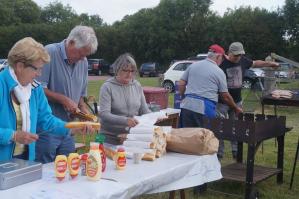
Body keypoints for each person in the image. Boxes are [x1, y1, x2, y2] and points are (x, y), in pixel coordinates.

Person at [0, 37, 91, 161]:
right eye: (37, 69)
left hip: (25, 161)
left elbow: (47, 121)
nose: (39, 74)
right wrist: (12, 135)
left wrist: (72, 127)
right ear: (20, 66)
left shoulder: (35, 89)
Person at [35, 26, 98, 163]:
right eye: (81, 54)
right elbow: (37, 90)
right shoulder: (49, 53)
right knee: (44, 172)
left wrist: (85, 115)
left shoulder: (83, 62)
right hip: (47, 129)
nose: (83, 59)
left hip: (69, 129)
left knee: (68, 169)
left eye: (85, 55)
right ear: (71, 43)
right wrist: (63, 99)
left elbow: (80, 97)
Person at [217, 42, 279, 159]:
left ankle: (236, 150)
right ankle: (220, 152)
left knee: (236, 125)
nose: (238, 58)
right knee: (220, 127)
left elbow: (256, 63)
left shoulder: (243, 60)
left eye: (240, 55)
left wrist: (270, 63)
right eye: (235, 55)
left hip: (237, 100)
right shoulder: (221, 64)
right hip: (222, 102)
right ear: (229, 53)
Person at [179, 44, 242, 128]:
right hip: (204, 108)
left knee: (186, 135)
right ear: (218, 57)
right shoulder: (219, 72)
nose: (222, 61)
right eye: (222, 58)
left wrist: (183, 96)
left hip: (186, 106)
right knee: (205, 137)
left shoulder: (193, 65)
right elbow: (225, 96)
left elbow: (182, 83)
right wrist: (236, 108)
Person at [99, 53, 151, 144]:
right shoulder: (107, 87)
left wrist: (154, 116)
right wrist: (125, 121)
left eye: (132, 71)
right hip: (107, 137)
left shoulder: (137, 85)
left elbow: (144, 110)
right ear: (117, 69)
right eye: (125, 70)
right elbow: (104, 114)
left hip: (130, 136)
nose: (129, 74)